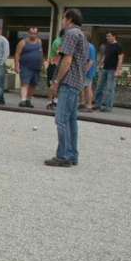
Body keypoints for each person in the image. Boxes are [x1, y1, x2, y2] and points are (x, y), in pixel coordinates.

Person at [44, 9, 88, 167]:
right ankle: (72, 154)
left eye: (63, 18)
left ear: (69, 19)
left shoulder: (70, 34)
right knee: (71, 120)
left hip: (68, 82)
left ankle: (63, 156)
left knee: (61, 120)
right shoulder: (82, 35)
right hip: (77, 82)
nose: (62, 21)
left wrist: (56, 82)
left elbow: (67, 61)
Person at [94, 31, 124, 112]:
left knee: (110, 89)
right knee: (99, 87)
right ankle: (97, 104)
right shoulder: (107, 45)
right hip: (104, 68)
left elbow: (120, 59)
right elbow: (105, 55)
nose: (107, 38)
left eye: (109, 36)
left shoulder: (118, 46)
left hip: (112, 69)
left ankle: (108, 107)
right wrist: (100, 64)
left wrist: (118, 70)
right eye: (107, 36)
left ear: (114, 37)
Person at [14, 26, 44, 108]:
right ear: (28, 33)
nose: (33, 35)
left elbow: (41, 53)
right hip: (25, 66)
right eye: (31, 33)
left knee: (33, 84)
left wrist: (43, 64)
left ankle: (28, 100)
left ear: (37, 34)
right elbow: (17, 54)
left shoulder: (39, 41)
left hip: (36, 67)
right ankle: (23, 100)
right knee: (25, 83)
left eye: (35, 33)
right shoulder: (23, 42)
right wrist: (16, 65)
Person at [45, 29, 64, 110]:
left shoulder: (62, 42)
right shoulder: (58, 42)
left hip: (58, 66)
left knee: (57, 83)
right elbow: (60, 53)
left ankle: (55, 101)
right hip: (53, 65)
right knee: (52, 83)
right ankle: (49, 102)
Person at [80, 33, 97, 112]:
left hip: (88, 71)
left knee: (88, 88)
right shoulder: (86, 46)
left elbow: (91, 61)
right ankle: (84, 103)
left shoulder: (90, 47)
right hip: (86, 70)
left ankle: (89, 105)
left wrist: (85, 71)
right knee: (84, 87)